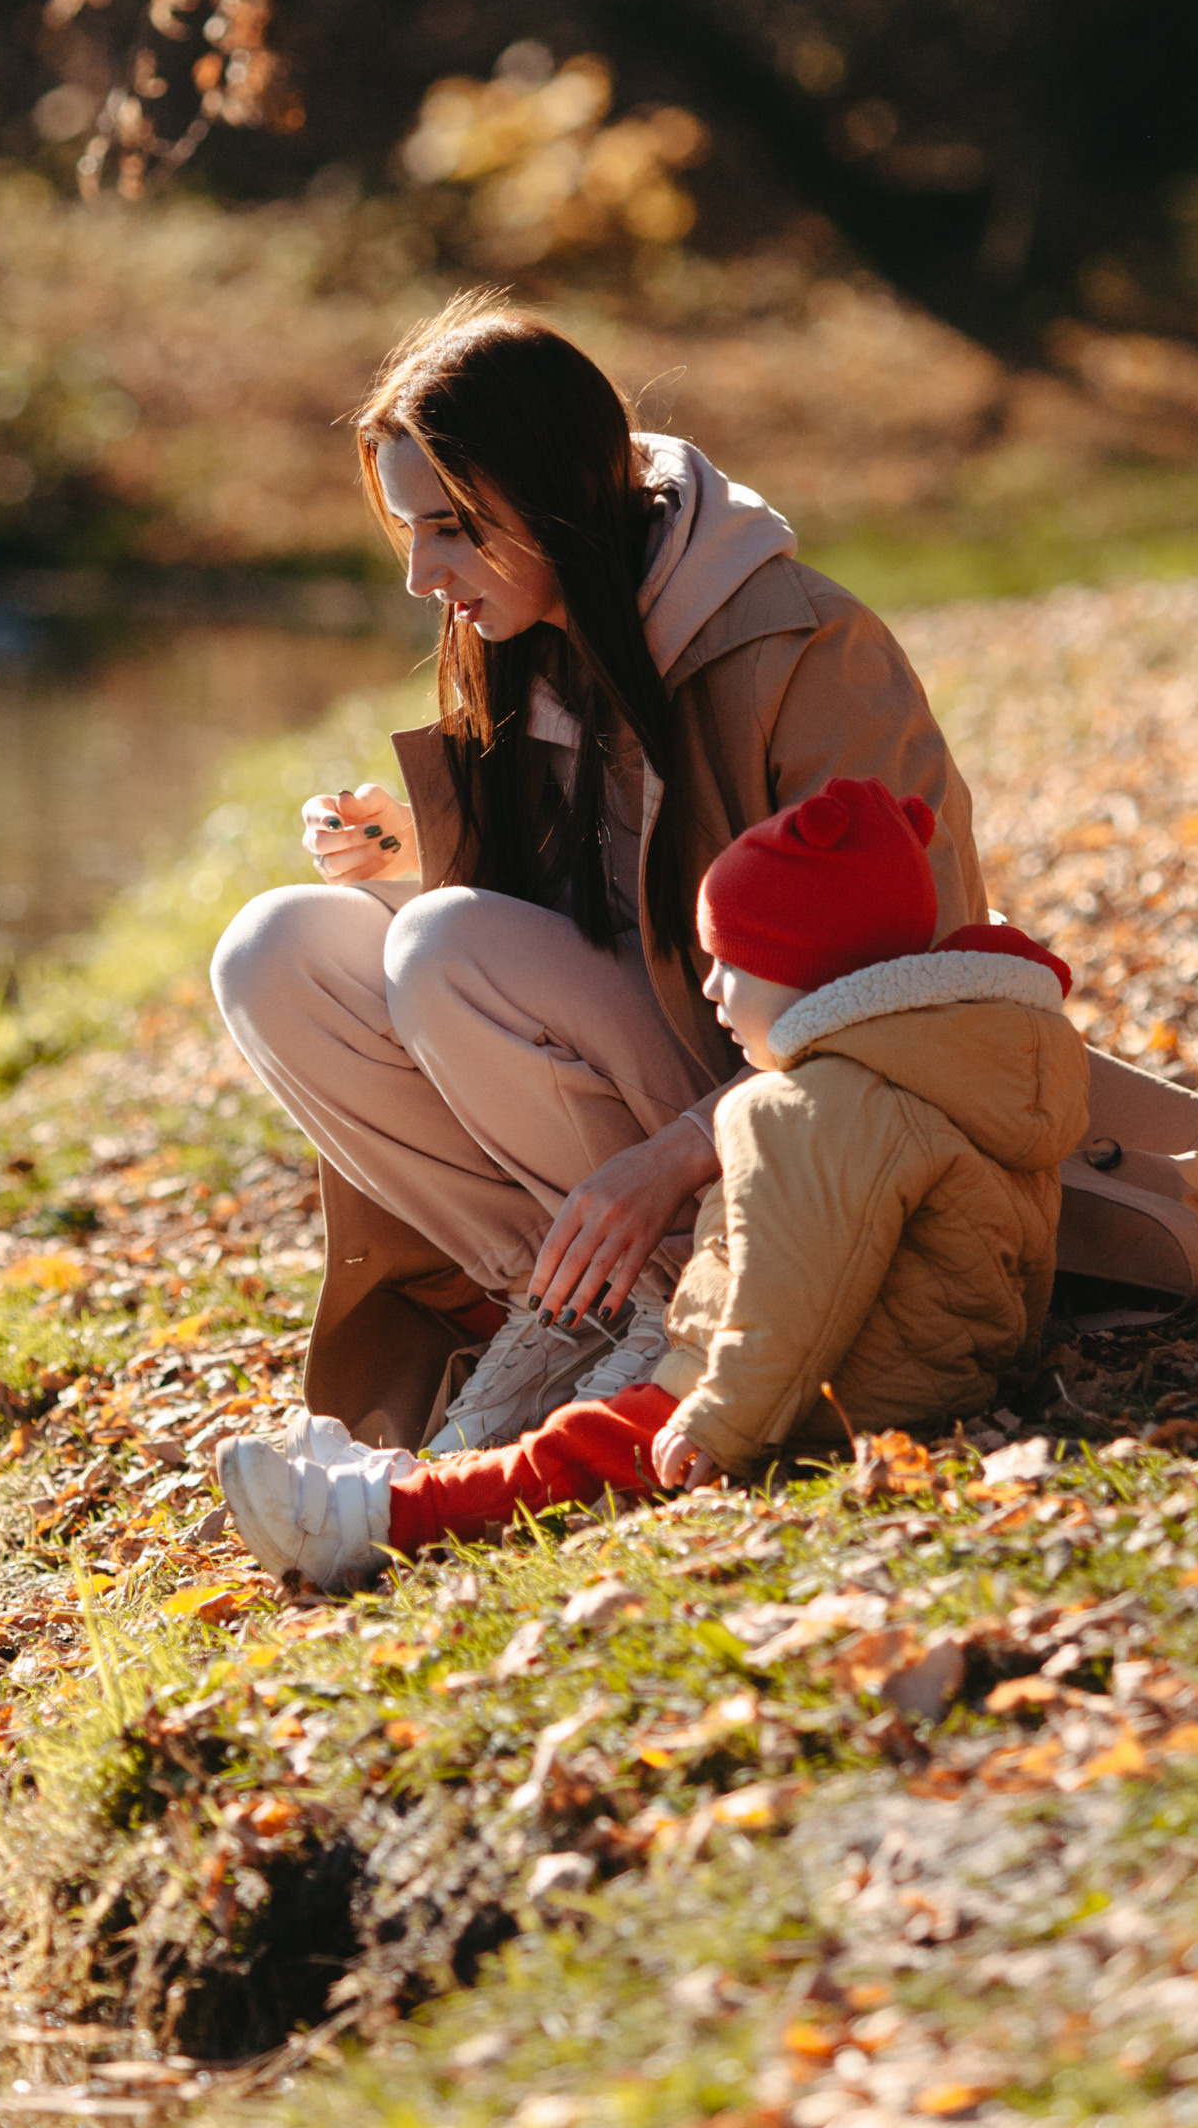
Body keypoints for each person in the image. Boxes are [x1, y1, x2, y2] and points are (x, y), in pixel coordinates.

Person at [209, 296, 990, 1461]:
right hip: (657, 1092)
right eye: (407, 532)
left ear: (556, 497)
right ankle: (573, 1303)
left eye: (452, 529)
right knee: (274, 947)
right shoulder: (525, 632)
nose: (421, 575)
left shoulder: (805, 653)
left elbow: (912, 997)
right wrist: (414, 856)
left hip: (795, 1136)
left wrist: (672, 1155)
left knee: (441, 947)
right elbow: (594, 907)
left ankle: (680, 1282)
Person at [215, 774, 1089, 1589]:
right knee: (580, 1446)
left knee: (580, 1457)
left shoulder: (813, 1113)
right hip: (872, 1367)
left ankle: (384, 1517)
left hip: (825, 1386)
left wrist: (721, 1419)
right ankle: (398, 1481)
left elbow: (798, 1301)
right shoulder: (933, 1063)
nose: (708, 988)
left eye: (733, 966)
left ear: (808, 978)